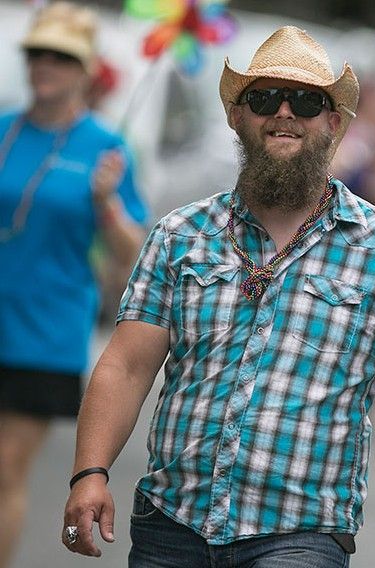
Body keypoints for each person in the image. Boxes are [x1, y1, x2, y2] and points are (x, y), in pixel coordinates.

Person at [61, 26, 375, 567]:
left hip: (302, 535)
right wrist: (90, 472)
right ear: (237, 116)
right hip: (171, 523)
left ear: (334, 124)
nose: (285, 112)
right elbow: (126, 366)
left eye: (308, 102)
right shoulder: (180, 235)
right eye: (265, 98)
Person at [0, 3, 148, 567]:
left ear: (87, 69)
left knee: (7, 469)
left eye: (62, 56)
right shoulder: (3, 129)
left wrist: (107, 203)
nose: (46, 65)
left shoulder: (106, 150)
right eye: (38, 52)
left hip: (44, 330)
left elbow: (134, 253)